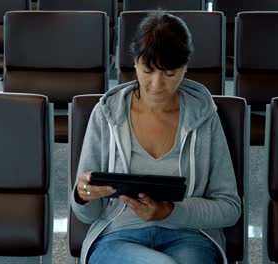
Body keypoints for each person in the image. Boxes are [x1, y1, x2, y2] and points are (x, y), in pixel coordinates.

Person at [70, 12, 241, 264]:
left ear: (185, 67)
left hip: (189, 235)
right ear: (135, 62)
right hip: (118, 235)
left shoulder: (204, 116)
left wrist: (170, 212)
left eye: (170, 73)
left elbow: (229, 208)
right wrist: (82, 196)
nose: (157, 84)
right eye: (148, 70)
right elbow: (88, 215)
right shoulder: (107, 114)